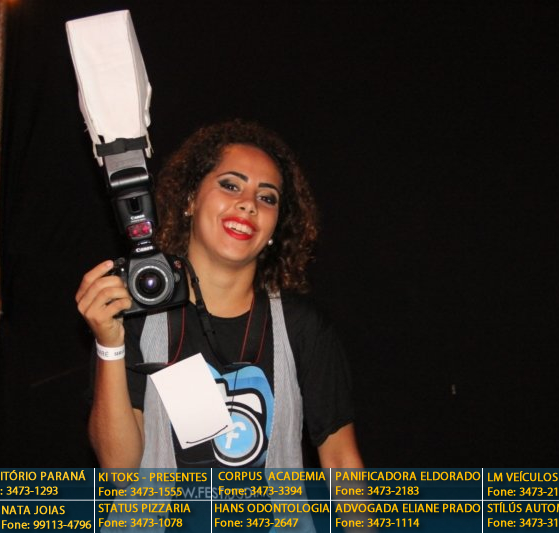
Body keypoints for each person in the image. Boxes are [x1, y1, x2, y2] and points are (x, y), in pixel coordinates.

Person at [76, 120, 363, 469]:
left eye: (266, 197)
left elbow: (342, 462)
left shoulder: (301, 326)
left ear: (275, 227)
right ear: (190, 200)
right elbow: (119, 470)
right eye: (230, 185)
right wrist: (109, 345)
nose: (248, 204)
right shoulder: (136, 318)